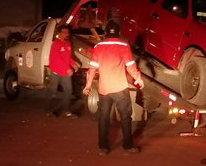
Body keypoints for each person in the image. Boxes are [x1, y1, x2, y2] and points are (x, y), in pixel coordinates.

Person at [83, 21, 144, 156]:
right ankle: (128, 146)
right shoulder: (123, 45)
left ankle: (103, 148)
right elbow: (130, 66)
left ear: (105, 33)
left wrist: (88, 86)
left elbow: (92, 68)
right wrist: (138, 78)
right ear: (118, 32)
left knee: (103, 118)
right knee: (125, 118)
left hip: (104, 89)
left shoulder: (98, 46)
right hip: (120, 88)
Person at [46, 25, 79, 118]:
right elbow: (56, 59)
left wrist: (73, 64)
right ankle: (49, 111)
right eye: (64, 32)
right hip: (56, 71)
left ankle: (66, 111)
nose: (66, 34)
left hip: (65, 73)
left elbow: (68, 57)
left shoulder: (68, 43)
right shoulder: (55, 44)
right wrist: (67, 69)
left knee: (68, 91)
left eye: (67, 32)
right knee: (52, 92)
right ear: (59, 34)